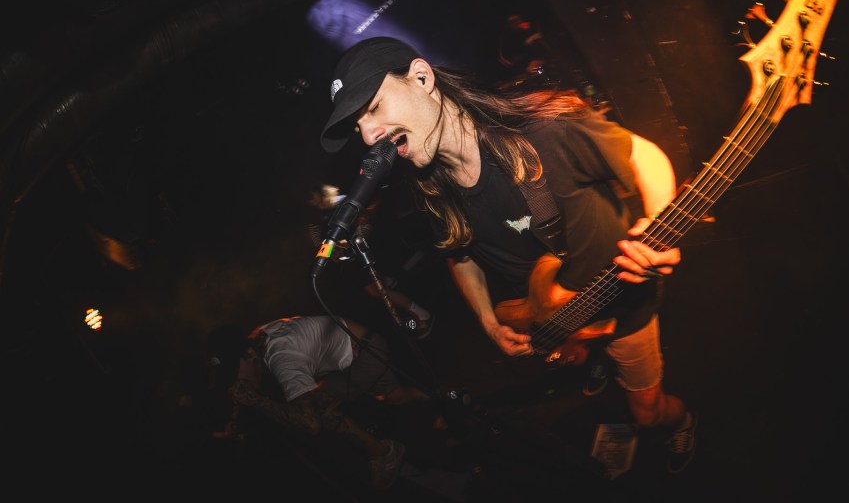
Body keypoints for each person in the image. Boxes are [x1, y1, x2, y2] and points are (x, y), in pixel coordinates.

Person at [318, 36, 698, 475]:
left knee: (646, 414)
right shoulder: (429, 188)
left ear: (421, 78)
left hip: (620, 302)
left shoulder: (541, 129)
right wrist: (488, 321)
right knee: (585, 358)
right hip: (558, 318)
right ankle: (591, 357)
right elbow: (461, 257)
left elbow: (644, 156)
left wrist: (657, 221)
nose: (369, 136)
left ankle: (681, 421)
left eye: (374, 108)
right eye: (358, 128)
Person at [210, 315, 432, 490]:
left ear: (249, 354)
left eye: (236, 375)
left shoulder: (281, 358)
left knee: (320, 410)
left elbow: (311, 424)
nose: (240, 383)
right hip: (364, 344)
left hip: (362, 356)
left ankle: (384, 453)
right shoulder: (260, 337)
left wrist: (255, 400)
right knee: (396, 396)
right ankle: (442, 399)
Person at [306, 183, 435, 339]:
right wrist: (331, 252)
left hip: (365, 253)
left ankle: (423, 316)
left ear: (321, 195)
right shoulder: (318, 217)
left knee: (376, 290)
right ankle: (390, 284)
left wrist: (352, 242)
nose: (313, 204)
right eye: (311, 202)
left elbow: (366, 223)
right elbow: (320, 243)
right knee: (375, 289)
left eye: (314, 200)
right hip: (352, 261)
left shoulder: (344, 203)